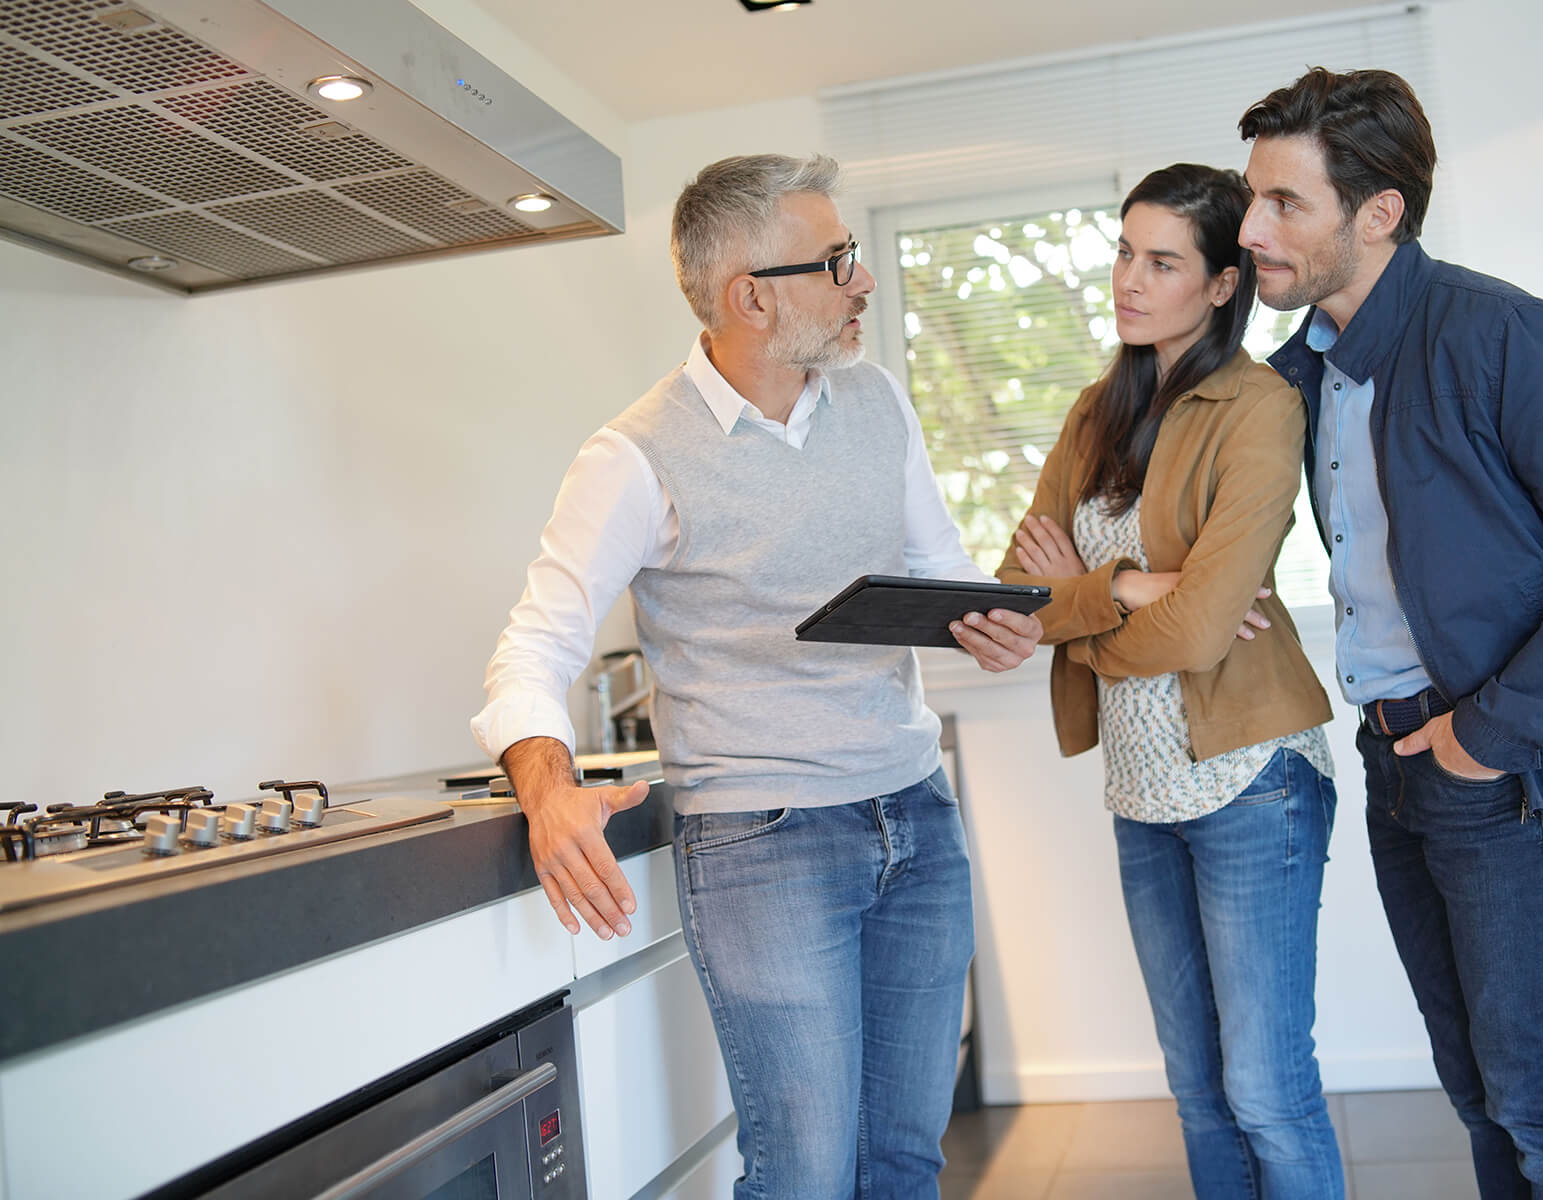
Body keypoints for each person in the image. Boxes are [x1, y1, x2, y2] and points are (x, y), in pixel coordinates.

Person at [470, 153, 1044, 1200]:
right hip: (765, 842)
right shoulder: (633, 456)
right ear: (749, 297)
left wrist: (985, 622)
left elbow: (939, 573)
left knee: (906, 1163)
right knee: (805, 1177)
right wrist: (546, 788)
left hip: (915, 817)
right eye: (836, 261)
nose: (862, 281)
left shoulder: (877, 403)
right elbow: (535, 646)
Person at [1237, 68, 1543, 1199]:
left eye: (1284, 202)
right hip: (1398, 760)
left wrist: (1486, 737)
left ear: (1379, 211)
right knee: (1479, 1088)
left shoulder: (1504, 335)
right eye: (1254, 199)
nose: (1252, 228)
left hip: (1508, 771)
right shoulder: (1305, 373)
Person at [997, 163, 1344, 1199]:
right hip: (1141, 794)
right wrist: (1142, 585)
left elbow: (1199, 633)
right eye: (1122, 252)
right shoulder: (1093, 414)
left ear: (1224, 284)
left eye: (1163, 262)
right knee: (1195, 1089)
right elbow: (1022, 592)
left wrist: (1096, 608)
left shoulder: (1260, 406)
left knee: (1267, 1090)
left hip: (1253, 780)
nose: (1129, 281)